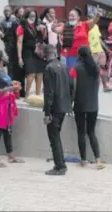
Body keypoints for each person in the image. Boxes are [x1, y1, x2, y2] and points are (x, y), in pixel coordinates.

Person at [70, 46, 104, 170]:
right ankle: (98, 160)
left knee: (81, 132)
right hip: (93, 105)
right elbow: (98, 84)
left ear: (79, 55)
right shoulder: (96, 69)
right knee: (91, 132)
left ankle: (83, 160)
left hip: (80, 104)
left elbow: (73, 87)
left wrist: (71, 103)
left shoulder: (76, 69)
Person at [0, 50, 23, 167]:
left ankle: (10, 155)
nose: (7, 56)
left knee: (8, 130)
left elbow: (4, 84)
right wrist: (8, 89)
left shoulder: (3, 70)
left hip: (7, 103)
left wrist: (13, 85)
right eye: (5, 55)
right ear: (1, 58)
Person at [43, 45, 71, 176]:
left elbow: (49, 92)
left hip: (54, 107)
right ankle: (60, 163)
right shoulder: (64, 66)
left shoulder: (49, 68)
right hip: (64, 106)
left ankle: (60, 166)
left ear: (45, 54)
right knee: (56, 136)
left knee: (53, 137)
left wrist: (47, 113)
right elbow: (71, 86)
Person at [16, 9, 47, 98]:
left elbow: (44, 38)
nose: (33, 18)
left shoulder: (39, 24)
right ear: (26, 16)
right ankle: (27, 95)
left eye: (34, 16)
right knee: (31, 73)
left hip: (39, 52)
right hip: (28, 51)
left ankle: (38, 94)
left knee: (40, 73)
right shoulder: (22, 26)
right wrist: (19, 57)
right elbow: (19, 42)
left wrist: (42, 30)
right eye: (30, 16)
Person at [88, 15, 112, 92]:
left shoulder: (96, 26)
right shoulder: (86, 26)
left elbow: (99, 39)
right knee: (92, 70)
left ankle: (105, 86)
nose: (94, 20)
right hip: (92, 51)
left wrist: (106, 48)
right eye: (92, 18)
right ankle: (91, 87)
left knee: (103, 68)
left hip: (100, 50)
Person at [11, 7, 25, 98]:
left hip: (23, 49)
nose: (22, 13)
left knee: (22, 72)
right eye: (20, 12)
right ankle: (18, 92)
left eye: (23, 12)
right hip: (15, 49)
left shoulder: (24, 22)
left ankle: (21, 91)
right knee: (17, 72)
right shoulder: (15, 23)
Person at [0, 6, 17, 77]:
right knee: (10, 62)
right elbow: (1, 33)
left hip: (16, 42)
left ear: (11, 11)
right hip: (8, 43)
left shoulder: (14, 19)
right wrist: (5, 40)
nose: (7, 12)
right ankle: (10, 77)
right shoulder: (2, 21)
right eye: (5, 11)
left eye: (8, 11)